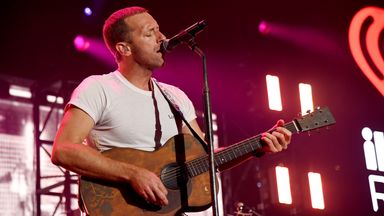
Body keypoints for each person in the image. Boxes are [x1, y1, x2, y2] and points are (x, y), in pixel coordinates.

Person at [51, 6, 292, 213]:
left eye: (158, 29)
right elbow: (63, 150)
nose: (162, 37)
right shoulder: (99, 88)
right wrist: (133, 174)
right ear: (124, 49)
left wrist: (257, 147)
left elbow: (204, 160)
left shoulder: (175, 97)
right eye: (150, 33)